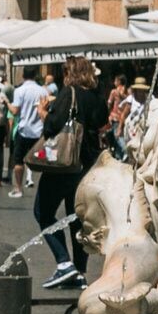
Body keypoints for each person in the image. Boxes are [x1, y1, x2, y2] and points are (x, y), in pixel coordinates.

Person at [29, 56, 99, 285]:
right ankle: (79, 271)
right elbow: (102, 121)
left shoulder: (69, 92)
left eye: (65, 72)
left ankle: (64, 263)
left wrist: (43, 112)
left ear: (71, 73)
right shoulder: (95, 95)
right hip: (86, 166)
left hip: (64, 164)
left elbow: (52, 126)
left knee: (43, 212)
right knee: (76, 217)